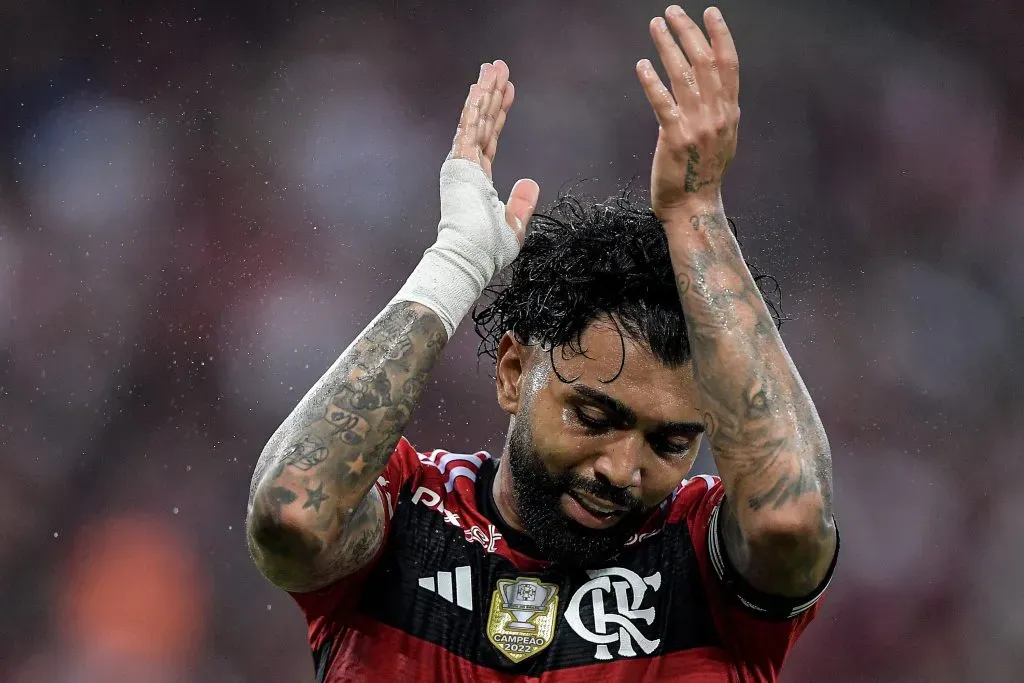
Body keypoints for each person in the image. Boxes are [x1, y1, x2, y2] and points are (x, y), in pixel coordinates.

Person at [246, 6, 838, 682]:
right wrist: (456, 263)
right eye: (593, 415)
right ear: (511, 369)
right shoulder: (407, 517)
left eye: (670, 442)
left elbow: (791, 517)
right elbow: (289, 513)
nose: (622, 468)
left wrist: (698, 214)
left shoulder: (700, 558)